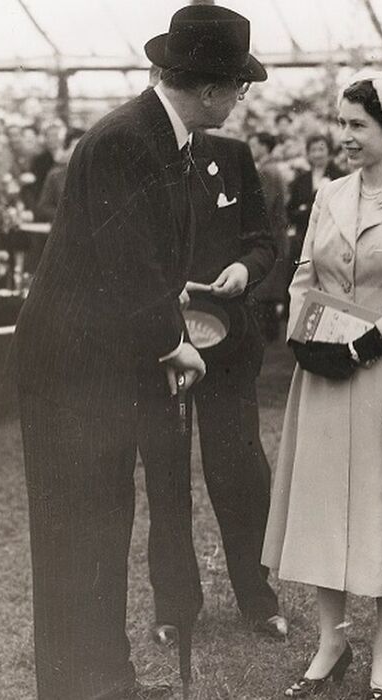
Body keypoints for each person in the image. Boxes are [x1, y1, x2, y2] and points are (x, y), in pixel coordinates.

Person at [13, 5, 267, 698]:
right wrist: (174, 343)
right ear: (210, 88)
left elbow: (137, 256)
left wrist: (168, 300)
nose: (242, 97)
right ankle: (80, 688)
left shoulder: (160, 135)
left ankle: (107, 681)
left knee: (102, 526)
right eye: (239, 85)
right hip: (72, 371)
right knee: (77, 536)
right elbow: (126, 264)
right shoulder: (130, 140)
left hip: (101, 367)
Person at [262, 69, 382, 699]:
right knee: (323, 509)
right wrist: (305, 340)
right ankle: (332, 640)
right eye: (341, 123)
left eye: (357, 125)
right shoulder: (329, 195)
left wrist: (365, 345)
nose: (344, 135)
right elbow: (303, 275)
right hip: (323, 374)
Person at [145, 120, 285, 644]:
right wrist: (161, 288)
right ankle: (174, 607)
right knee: (166, 475)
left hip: (227, 343)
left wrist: (245, 270)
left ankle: (257, 597)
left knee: (240, 472)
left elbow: (262, 242)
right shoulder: (137, 156)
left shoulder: (232, 154)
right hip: (160, 342)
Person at [248, 130, 289, 341]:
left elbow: (262, 205)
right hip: (275, 233)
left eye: (254, 145)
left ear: (264, 147)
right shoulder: (271, 169)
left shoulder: (267, 171)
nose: (251, 149)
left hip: (270, 235)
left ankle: (266, 336)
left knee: (266, 288)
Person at [286, 133, 346, 268]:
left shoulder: (340, 177)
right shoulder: (300, 180)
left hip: (332, 238)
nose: (317, 154)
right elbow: (290, 211)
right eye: (313, 150)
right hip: (304, 236)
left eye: (321, 149)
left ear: (329, 152)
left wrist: (305, 208)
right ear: (308, 154)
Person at [35, 127, 85, 222]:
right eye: (75, 146)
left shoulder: (93, 174)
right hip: (64, 225)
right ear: (66, 150)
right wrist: (66, 216)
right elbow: (44, 207)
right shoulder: (55, 176)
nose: (80, 151)